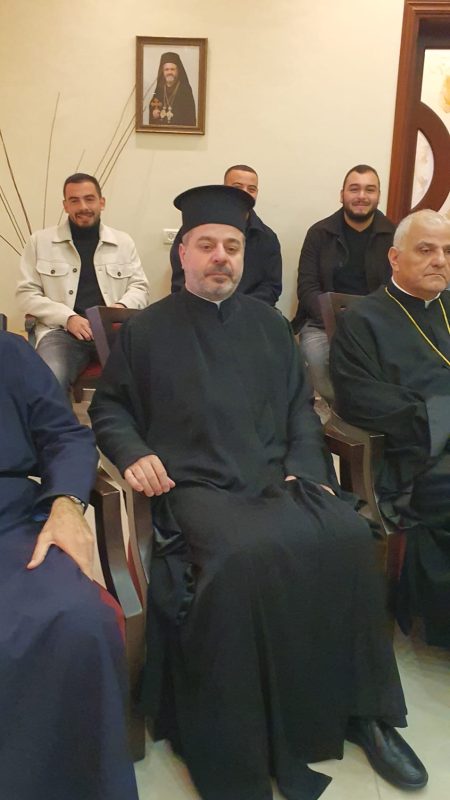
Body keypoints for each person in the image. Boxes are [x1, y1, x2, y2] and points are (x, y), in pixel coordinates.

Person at [89, 184, 427, 800]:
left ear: (244, 256)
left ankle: (364, 713)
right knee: (242, 559)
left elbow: (303, 407)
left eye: (233, 247)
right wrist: (134, 453)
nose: (221, 257)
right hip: (195, 486)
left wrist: (306, 466)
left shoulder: (271, 326)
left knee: (349, 537)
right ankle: (242, 736)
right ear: (183, 254)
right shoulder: (146, 331)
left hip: (276, 476)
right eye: (207, 245)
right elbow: (109, 409)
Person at [0, 330, 138, 800]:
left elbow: (66, 435)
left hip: (11, 522)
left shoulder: (10, 352)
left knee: (81, 619)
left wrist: (66, 502)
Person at [330, 208, 450, 649]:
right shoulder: (363, 319)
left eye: (447, 251)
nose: (440, 260)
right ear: (395, 258)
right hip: (416, 456)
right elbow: (360, 399)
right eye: (426, 250)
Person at [16, 172, 149, 396]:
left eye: (89, 199)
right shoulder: (40, 242)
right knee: (49, 379)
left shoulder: (123, 242)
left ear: (101, 202)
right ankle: (61, 421)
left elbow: (140, 287)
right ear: (65, 206)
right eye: (74, 200)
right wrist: (67, 318)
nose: (83, 207)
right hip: (61, 333)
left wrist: (118, 309)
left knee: (151, 376)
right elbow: (26, 294)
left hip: (114, 332)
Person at [291, 164, 394, 403]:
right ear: (342, 194)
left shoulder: (393, 235)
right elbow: (307, 286)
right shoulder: (319, 233)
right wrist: (333, 319)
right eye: (354, 189)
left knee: (384, 363)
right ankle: (338, 410)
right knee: (316, 357)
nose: (361, 196)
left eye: (369, 190)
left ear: (379, 196)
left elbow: (394, 288)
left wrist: (362, 323)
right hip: (321, 324)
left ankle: (363, 409)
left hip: (374, 325)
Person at [170, 164, 282, 306]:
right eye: (237, 187)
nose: (245, 193)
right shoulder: (194, 230)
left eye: (251, 189)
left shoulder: (267, 237)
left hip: (252, 309)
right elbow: (180, 281)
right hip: (195, 307)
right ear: (225, 187)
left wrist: (240, 308)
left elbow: (271, 287)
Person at [149, 51, 196, 126]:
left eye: (172, 69)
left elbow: (190, 117)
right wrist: (153, 114)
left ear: (178, 71)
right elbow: (152, 106)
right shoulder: (159, 89)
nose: (169, 72)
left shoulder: (185, 90)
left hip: (179, 131)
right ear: (163, 71)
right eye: (166, 69)